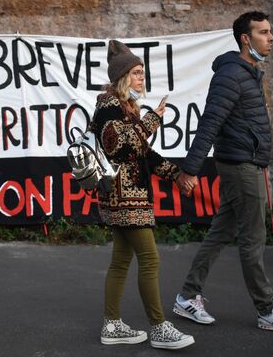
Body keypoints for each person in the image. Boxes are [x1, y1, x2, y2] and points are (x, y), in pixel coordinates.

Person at [173, 11, 273, 331]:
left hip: (245, 162)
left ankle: (187, 297)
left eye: (271, 31)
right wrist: (189, 169)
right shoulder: (232, 75)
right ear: (245, 39)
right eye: (263, 32)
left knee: (220, 233)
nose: (271, 37)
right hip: (240, 167)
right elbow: (210, 122)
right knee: (253, 239)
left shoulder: (246, 73)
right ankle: (267, 310)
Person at [92, 40, 194, 350]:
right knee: (149, 258)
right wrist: (152, 120)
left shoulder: (127, 106)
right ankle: (159, 327)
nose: (142, 78)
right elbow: (116, 143)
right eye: (137, 73)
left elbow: (143, 153)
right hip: (125, 195)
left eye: (143, 73)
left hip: (127, 193)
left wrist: (175, 175)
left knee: (121, 261)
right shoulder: (108, 104)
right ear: (122, 77)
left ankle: (112, 326)